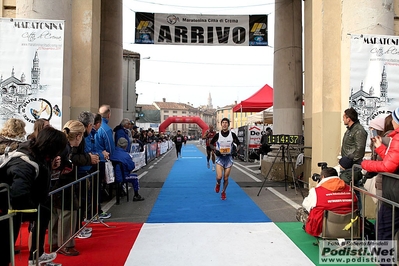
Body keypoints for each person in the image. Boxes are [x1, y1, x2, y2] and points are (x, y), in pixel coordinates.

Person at [0, 127, 67, 266]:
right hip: (8, 207)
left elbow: (37, 174)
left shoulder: (38, 154)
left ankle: (36, 257)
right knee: (6, 244)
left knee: (42, 215)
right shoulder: (24, 162)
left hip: (16, 205)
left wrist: (51, 166)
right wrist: (33, 210)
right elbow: (19, 192)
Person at [361, 108, 399, 244]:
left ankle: (385, 263)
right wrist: (380, 148)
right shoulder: (393, 137)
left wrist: (366, 164)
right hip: (392, 193)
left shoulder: (396, 137)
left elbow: (388, 166)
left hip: (393, 195)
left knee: (383, 232)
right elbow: (393, 160)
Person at [295, 167, 358, 237]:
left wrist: (318, 186)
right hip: (350, 230)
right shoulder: (350, 189)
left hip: (324, 231)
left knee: (300, 211)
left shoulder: (316, 191)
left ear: (323, 177)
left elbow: (306, 205)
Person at [209, 118, 240, 200]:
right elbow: (211, 144)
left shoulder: (232, 135)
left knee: (226, 178)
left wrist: (235, 151)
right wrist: (215, 150)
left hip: (228, 159)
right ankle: (218, 183)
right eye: (223, 123)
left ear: (228, 124)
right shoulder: (217, 135)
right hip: (220, 159)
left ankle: (223, 191)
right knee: (219, 177)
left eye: (226, 123)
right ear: (221, 124)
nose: (225, 124)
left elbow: (239, 144)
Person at [94, 104, 114, 219]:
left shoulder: (95, 129)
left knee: (95, 188)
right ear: (109, 115)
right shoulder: (106, 129)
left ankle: (95, 211)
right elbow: (110, 148)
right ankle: (98, 211)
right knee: (98, 187)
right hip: (101, 160)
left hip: (94, 159)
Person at [110, 138, 144, 202]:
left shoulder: (113, 153)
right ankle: (136, 195)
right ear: (125, 146)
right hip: (124, 176)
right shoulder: (126, 156)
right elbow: (131, 167)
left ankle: (121, 190)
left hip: (113, 176)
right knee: (135, 178)